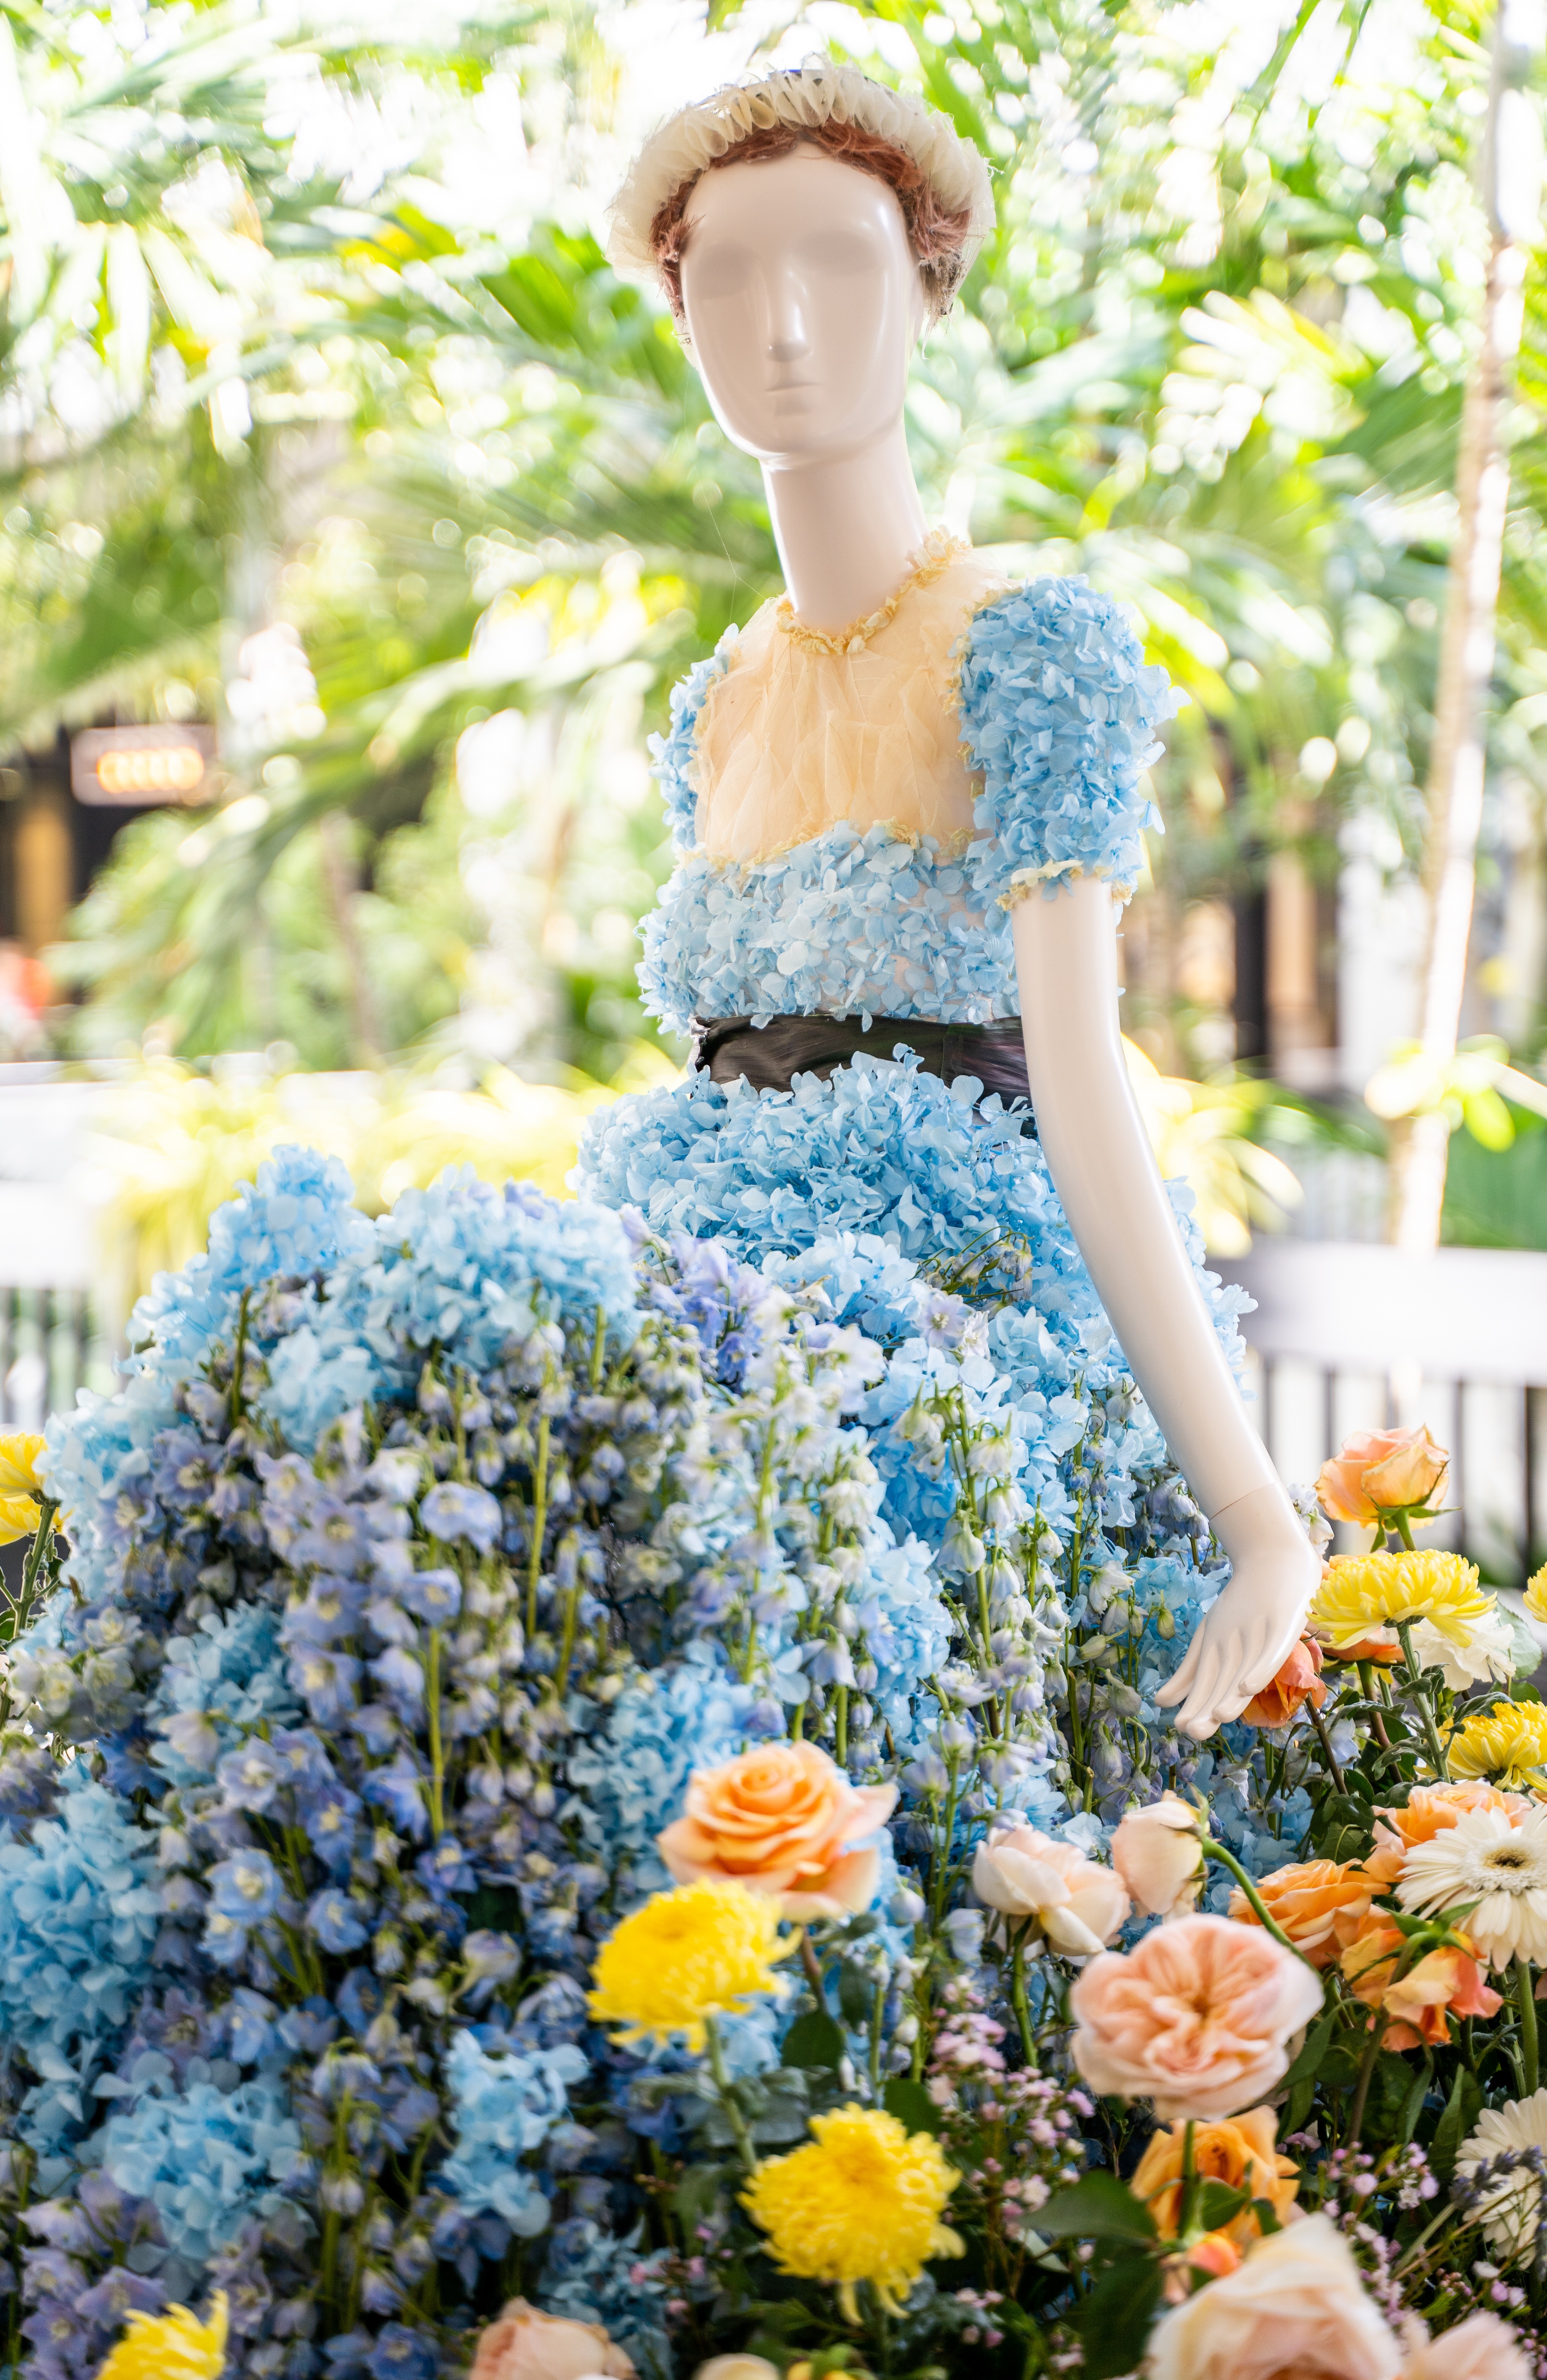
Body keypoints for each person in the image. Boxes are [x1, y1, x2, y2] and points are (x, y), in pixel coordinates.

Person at [579, 59, 1319, 1738]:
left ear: (927, 284)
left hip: (943, 1298)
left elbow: (1079, 1077)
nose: (780, 324)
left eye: (836, 264)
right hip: (695, 1265)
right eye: (722, 275)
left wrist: (1256, 1513)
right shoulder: (719, 698)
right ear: (674, 309)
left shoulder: (1027, 642)